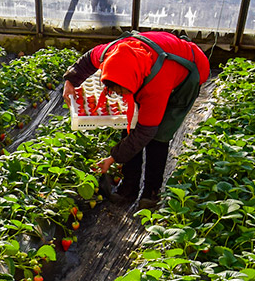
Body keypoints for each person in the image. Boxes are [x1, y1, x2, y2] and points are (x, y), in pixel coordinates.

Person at [63, 30, 209, 209]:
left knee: (159, 136)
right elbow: (87, 60)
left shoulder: (156, 85)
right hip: (158, 57)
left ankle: (151, 191)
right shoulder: (111, 53)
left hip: (189, 72)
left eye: (120, 91)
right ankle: (129, 187)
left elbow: (145, 132)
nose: (116, 94)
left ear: (135, 82)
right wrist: (70, 81)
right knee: (129, 124)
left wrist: (113, 157)